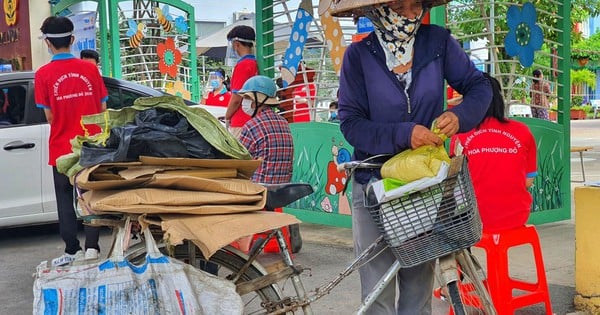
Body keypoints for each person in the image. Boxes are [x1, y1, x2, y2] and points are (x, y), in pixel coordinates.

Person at [332, 0, 492, 314]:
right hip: (374, 185)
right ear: (377, 11)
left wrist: (460, 116)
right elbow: (351, 124)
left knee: (418, 290)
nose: (411, 14)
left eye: (415, 5)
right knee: (377, 292)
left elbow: (479, 86)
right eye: (400, 6)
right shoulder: (358, 56)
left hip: (424, 185)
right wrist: (405, 134)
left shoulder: (438, 42)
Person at [35, 16, 108, 266]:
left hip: (61, 147)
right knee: (89, 195)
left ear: (47, 43)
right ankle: (93, 248)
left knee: (65, 197)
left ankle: (72, 249)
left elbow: (49, 115)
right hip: (92, 145)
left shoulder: (43, 74)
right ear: (72, 39)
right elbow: (102, 107)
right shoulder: (91, 70)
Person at [451, 73, 537, 232]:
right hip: (517, 217)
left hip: (473, 220)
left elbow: (457, 185)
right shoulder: (522, 131)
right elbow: (527, 182)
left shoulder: (459, 137)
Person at [238, 75, 293, 184]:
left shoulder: (252, 126)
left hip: (258, 191)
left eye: (248, 98)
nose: (244, 102)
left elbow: (240, 162)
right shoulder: (284, 122)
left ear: (258, 100)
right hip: (282, 190)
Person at [224, 25, 259, 138]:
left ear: (236, 43)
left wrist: (227, 117)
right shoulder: (255, 63)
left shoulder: (243, 65)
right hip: (254, 120)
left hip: (241, 122)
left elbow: (236, 99)